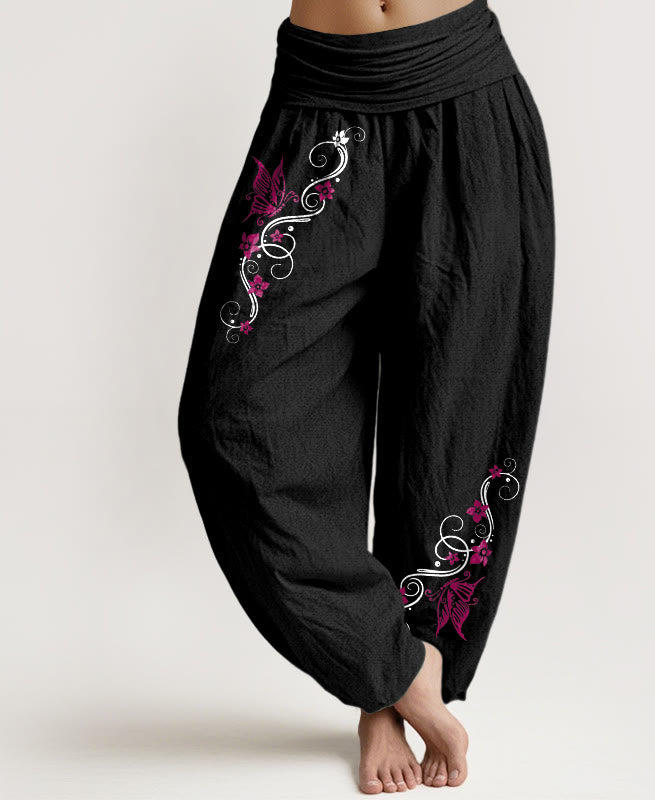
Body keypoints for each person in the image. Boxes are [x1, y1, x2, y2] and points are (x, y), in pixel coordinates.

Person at [177, 0, 554, 793]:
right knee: (232, 414)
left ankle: (390, 690)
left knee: (454, 418)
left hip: (464, 93)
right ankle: (390, 662)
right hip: (320, 101)